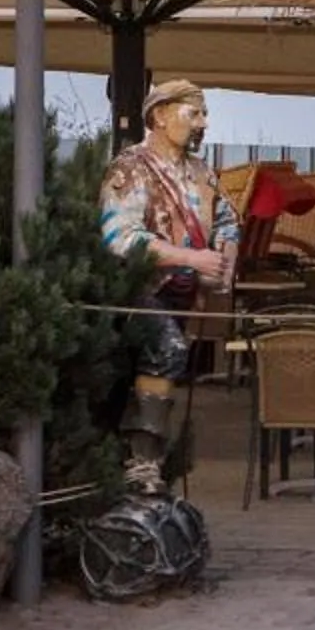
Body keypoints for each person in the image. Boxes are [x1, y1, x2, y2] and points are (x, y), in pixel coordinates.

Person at [99, 79, 240, 484]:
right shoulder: (130, 168)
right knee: (166, 349)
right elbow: (119, 237)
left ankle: (147, 457)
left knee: (166, 361)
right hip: (138, 292)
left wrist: (223, 261)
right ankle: (142, 458)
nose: (203, 123)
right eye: (193, 112)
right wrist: (192, 258)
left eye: (204, 114)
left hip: (183, 297)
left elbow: (229, 220)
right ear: (160, 116)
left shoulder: (201, 172)